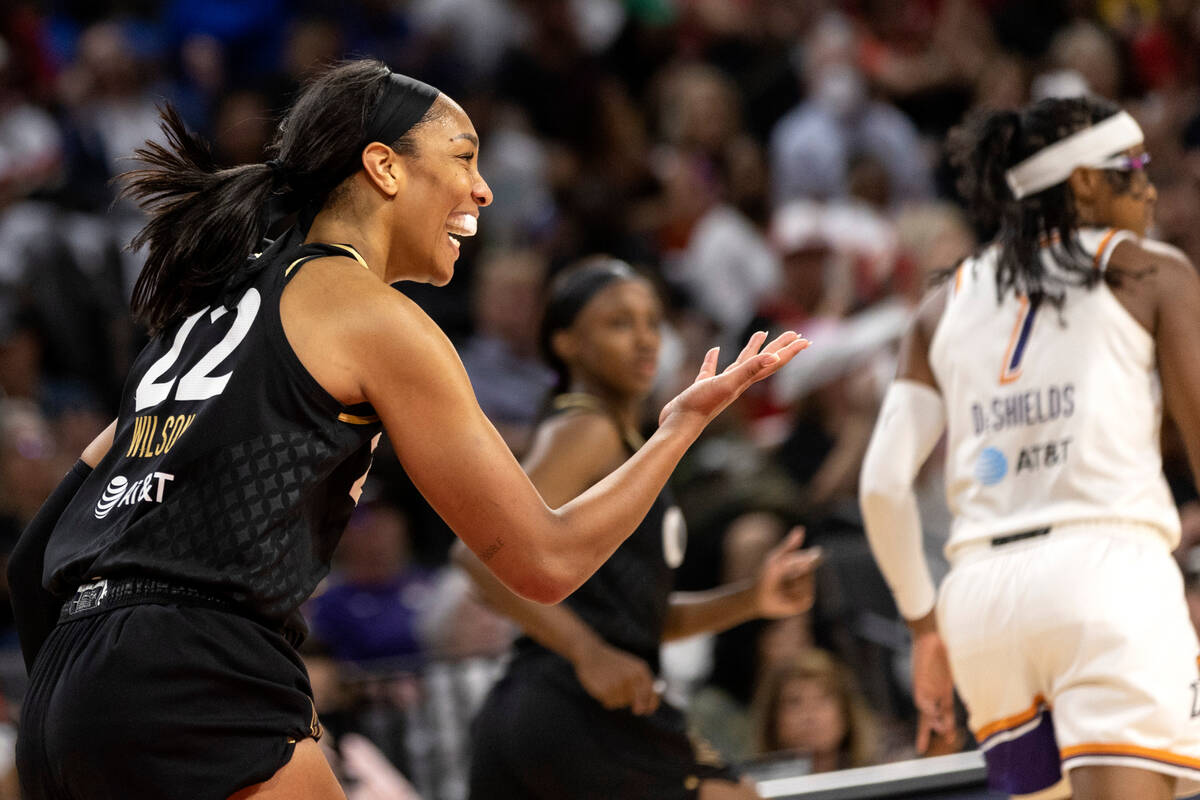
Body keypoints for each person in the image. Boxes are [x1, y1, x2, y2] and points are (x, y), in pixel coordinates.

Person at [6, 59, 809, 800]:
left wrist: (85, 707)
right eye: (463, 157)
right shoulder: (375, 318)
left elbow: (30, 557)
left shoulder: (201, 323)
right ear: (385, 166)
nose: (484, 190)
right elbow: (545, 560)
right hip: (197, 673)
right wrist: (678, 429)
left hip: (64, 695)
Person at [859, 95, 1200, 800]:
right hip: (1107, 578)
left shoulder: (941, 302)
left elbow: (882, 488)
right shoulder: (1147, 270)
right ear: (1082, 182)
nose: (1149, 185)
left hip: (980, 603)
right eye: (1131, 167)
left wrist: (925, 627)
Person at [454, 258, 822, 800]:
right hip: (569, 706)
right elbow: (477, 554)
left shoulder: (625, 444)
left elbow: (642, 621)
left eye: (653, 321)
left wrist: (752, 599)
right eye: (619, 323)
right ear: (566, 343)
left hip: (562, 710)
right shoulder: (585, 428)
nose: (646, 339)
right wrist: (588, 653)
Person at [748, 648, 882, 774]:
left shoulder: (880, 780)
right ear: (772, 720)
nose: (810, 715)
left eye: (823, 699)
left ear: (846, 714)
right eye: (794, 702)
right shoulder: (751, 791)